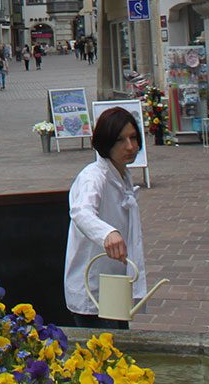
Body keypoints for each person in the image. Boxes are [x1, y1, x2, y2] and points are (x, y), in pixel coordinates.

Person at [64, 107, 146, 330]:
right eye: (121, 140)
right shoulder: (93, 177)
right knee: (102, 355)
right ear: (106, 142)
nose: (130, 146)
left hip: (114, 284)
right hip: (92, 287)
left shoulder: (121, 174)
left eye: (133, 138)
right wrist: (107, 233)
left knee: (119, 349)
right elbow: (81, 211)